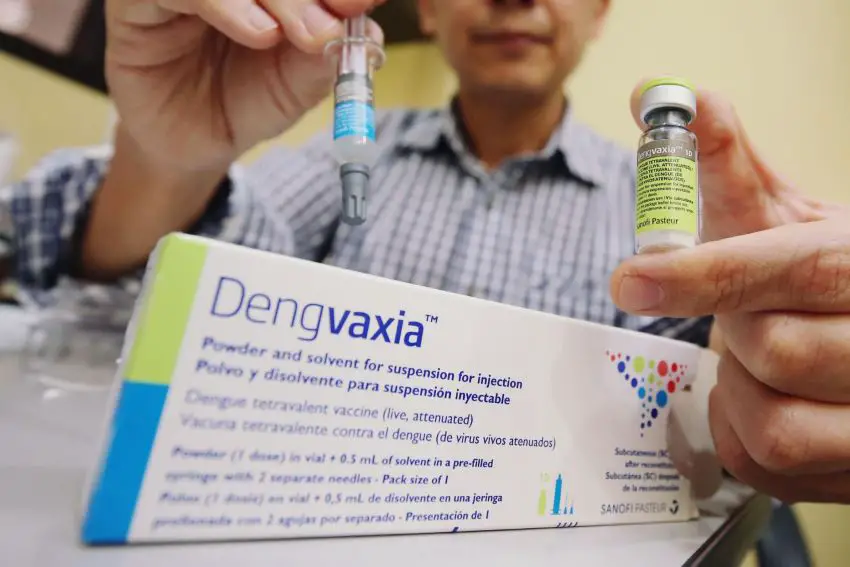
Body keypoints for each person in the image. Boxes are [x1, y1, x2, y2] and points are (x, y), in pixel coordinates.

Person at [3, 0, 849, 503]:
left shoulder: (665, 212)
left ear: (600, 11)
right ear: (430, 10)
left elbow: (709, 427)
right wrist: (170, 155)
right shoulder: (345, 162)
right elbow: (158, 288)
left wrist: (786, 367)